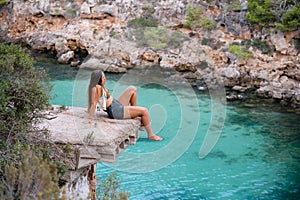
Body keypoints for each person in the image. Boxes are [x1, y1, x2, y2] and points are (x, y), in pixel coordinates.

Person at [87, 69, 162, 141]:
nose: (105, 79)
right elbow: (94, 102)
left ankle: (134, 114)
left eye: (104, 77)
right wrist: (90, 118)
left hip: (116, 105)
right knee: (144, 111)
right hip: (116, 111)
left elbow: (91, 101)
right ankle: (151, 135)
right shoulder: (97, 88)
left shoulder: (97, 86)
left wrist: (88, 110)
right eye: (103, 78)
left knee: (132, 89)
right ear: (98, 79)